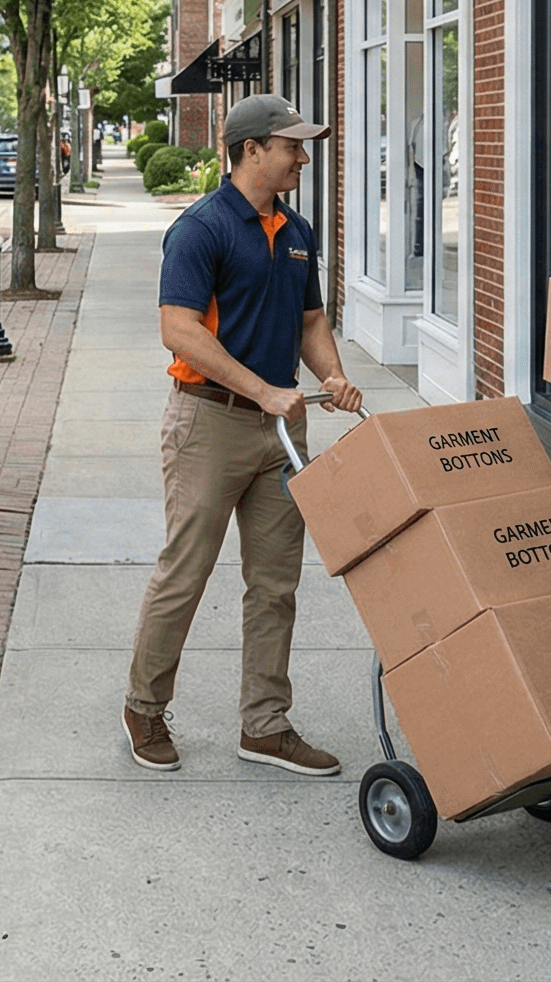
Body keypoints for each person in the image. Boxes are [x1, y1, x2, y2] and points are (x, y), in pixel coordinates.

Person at [122, 93, 364, 776]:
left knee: (276, 584)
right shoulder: (202, 228)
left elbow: (311, 321)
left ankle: (264, 724)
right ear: (252, 149)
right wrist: (263, 391)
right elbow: (179, 328)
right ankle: (144, 705)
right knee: (186, 573)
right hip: (209, 423)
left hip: (282, 429)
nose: (303, 157)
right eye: (292, 146)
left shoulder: (296, 230)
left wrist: (335, 375)